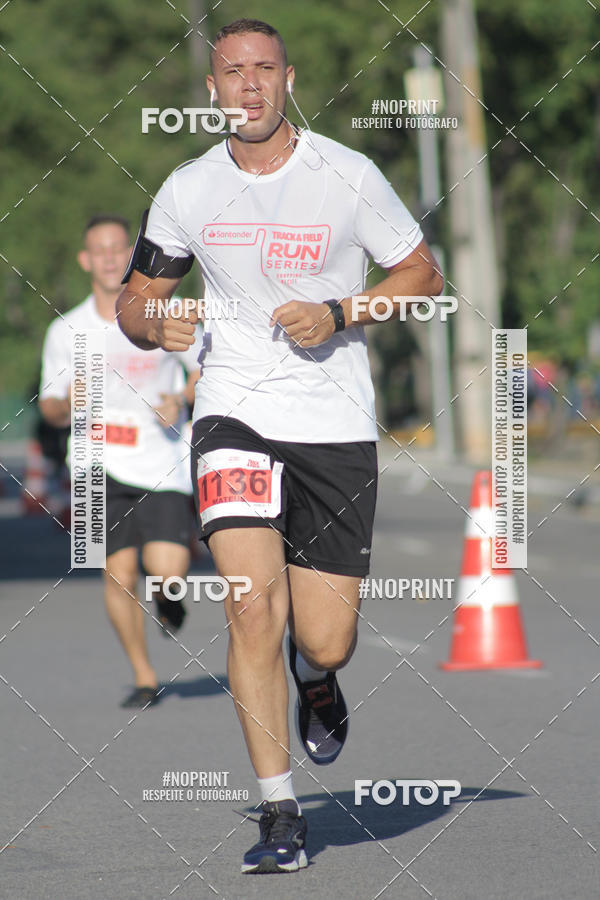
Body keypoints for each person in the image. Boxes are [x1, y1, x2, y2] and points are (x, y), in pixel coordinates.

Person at [116, 18, 443, 872]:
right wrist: (160, 322)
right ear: (214, 90)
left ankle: (318, 676)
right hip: (233, 417)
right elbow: (136, 302)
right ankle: (280, 810)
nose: (251, 85)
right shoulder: (187, 189)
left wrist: (341, 311)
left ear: (289, 79)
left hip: (333, 423)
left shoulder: (347, 174)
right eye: (235, 72)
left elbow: (421, 274)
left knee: (327, 635)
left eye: (266, 70)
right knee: (249, 601)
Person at [39, 214, 201, 708]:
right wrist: (67, 401)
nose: (110, 258)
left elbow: (203, 370)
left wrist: (180, 397)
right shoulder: (67, 329)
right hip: (93, 459)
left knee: (168, 570)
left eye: (118, 249)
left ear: (131, 256)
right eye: (100, 250)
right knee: (117, 573)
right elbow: (49, 407)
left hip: (162, 456)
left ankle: (168, 597)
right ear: (86, 260)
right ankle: (145, 676)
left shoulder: (162, 312)